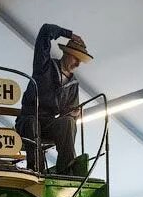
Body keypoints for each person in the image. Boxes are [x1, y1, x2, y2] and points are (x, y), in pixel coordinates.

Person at [15, 24, 92, 175]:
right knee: (32, 123)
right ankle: (36, 169)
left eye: (80, 62)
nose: (77, 64)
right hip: (27, 121)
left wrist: (74, 114)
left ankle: (65, 170)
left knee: (68, 123)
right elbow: (45, 31)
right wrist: (68, 33)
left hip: (49, 124)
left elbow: (67, 115)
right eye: (76, 58)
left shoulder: (73, 84)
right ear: (67, 53)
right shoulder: (44, 66)